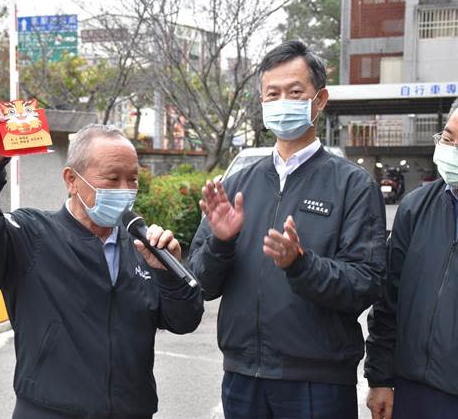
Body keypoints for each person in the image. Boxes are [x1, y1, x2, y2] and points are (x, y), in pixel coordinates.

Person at [0, 117, 203, 418]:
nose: (124, 189)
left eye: (132, 179)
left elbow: (184, 321)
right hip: (49, 410)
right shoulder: (32, 236)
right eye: (112, 178)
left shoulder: (141, 245)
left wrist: (167, 275)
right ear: (71, 179)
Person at [188, 40, 387, 419]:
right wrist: (221, 242)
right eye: (272, 93)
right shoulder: (236, 185)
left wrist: (300, 264)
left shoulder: (352, 185)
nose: (283, 101)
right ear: (262, 102)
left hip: (319, 382)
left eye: (295, 92)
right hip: (243, 377)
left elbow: (367, 282)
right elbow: (201, 283)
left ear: (320, 99)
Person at [365, 101, 458, 419]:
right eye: (448, 139)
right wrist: (379, 378)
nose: (453, 150)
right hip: (413, 391)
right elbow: (387, 299)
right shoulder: (415, 207)